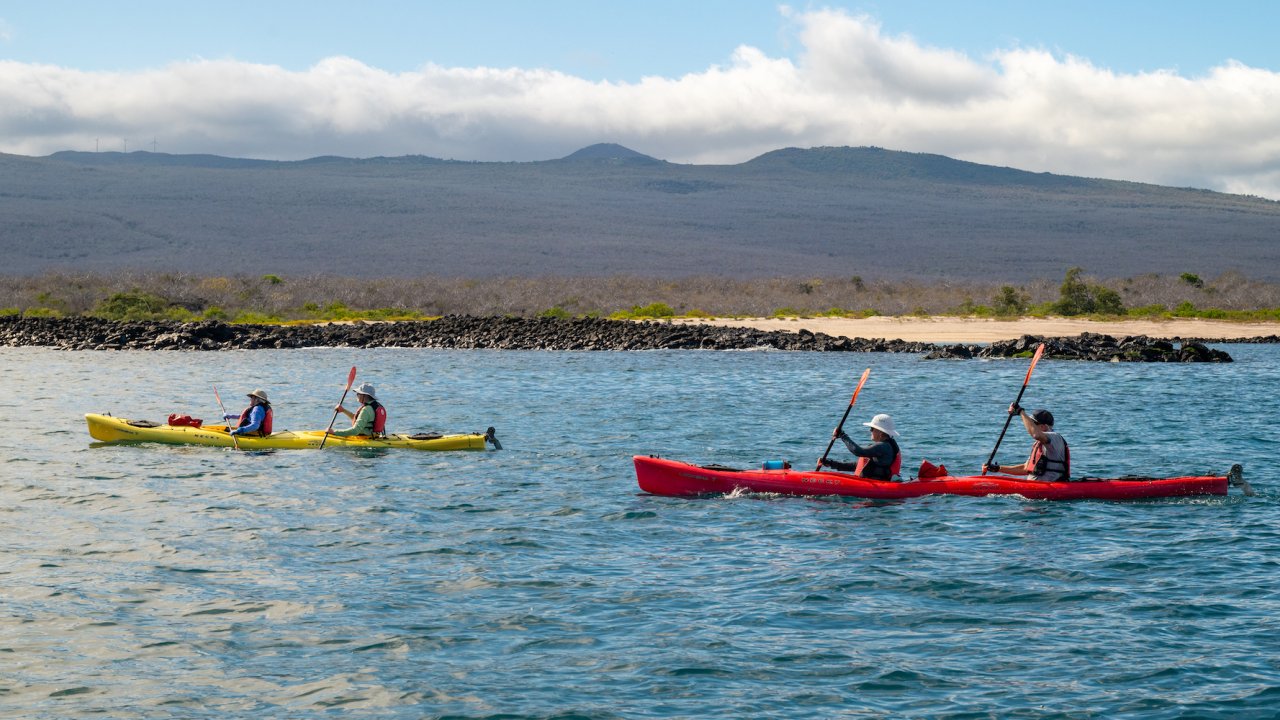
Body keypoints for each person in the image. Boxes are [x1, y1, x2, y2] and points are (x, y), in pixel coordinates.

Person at [984, 404, 1070, 481]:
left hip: (1050, 487)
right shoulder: (1039, 443)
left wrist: (1021, 412)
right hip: (1034, 485)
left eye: (1032, 424)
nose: (1029, 426)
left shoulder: (1055, 437)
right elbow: (1026, 468)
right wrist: (998, 468)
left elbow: (1035, 434)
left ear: (1043, 426)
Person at [818, 413, 902, 481]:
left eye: (872, 428)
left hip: (876, 487)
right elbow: (857, 466)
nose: (870, 430)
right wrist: (831, 463)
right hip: (871, 483)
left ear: (880, 432)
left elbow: (858, 451)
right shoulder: (884, 446)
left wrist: (842, 435)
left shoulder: (883, 447)